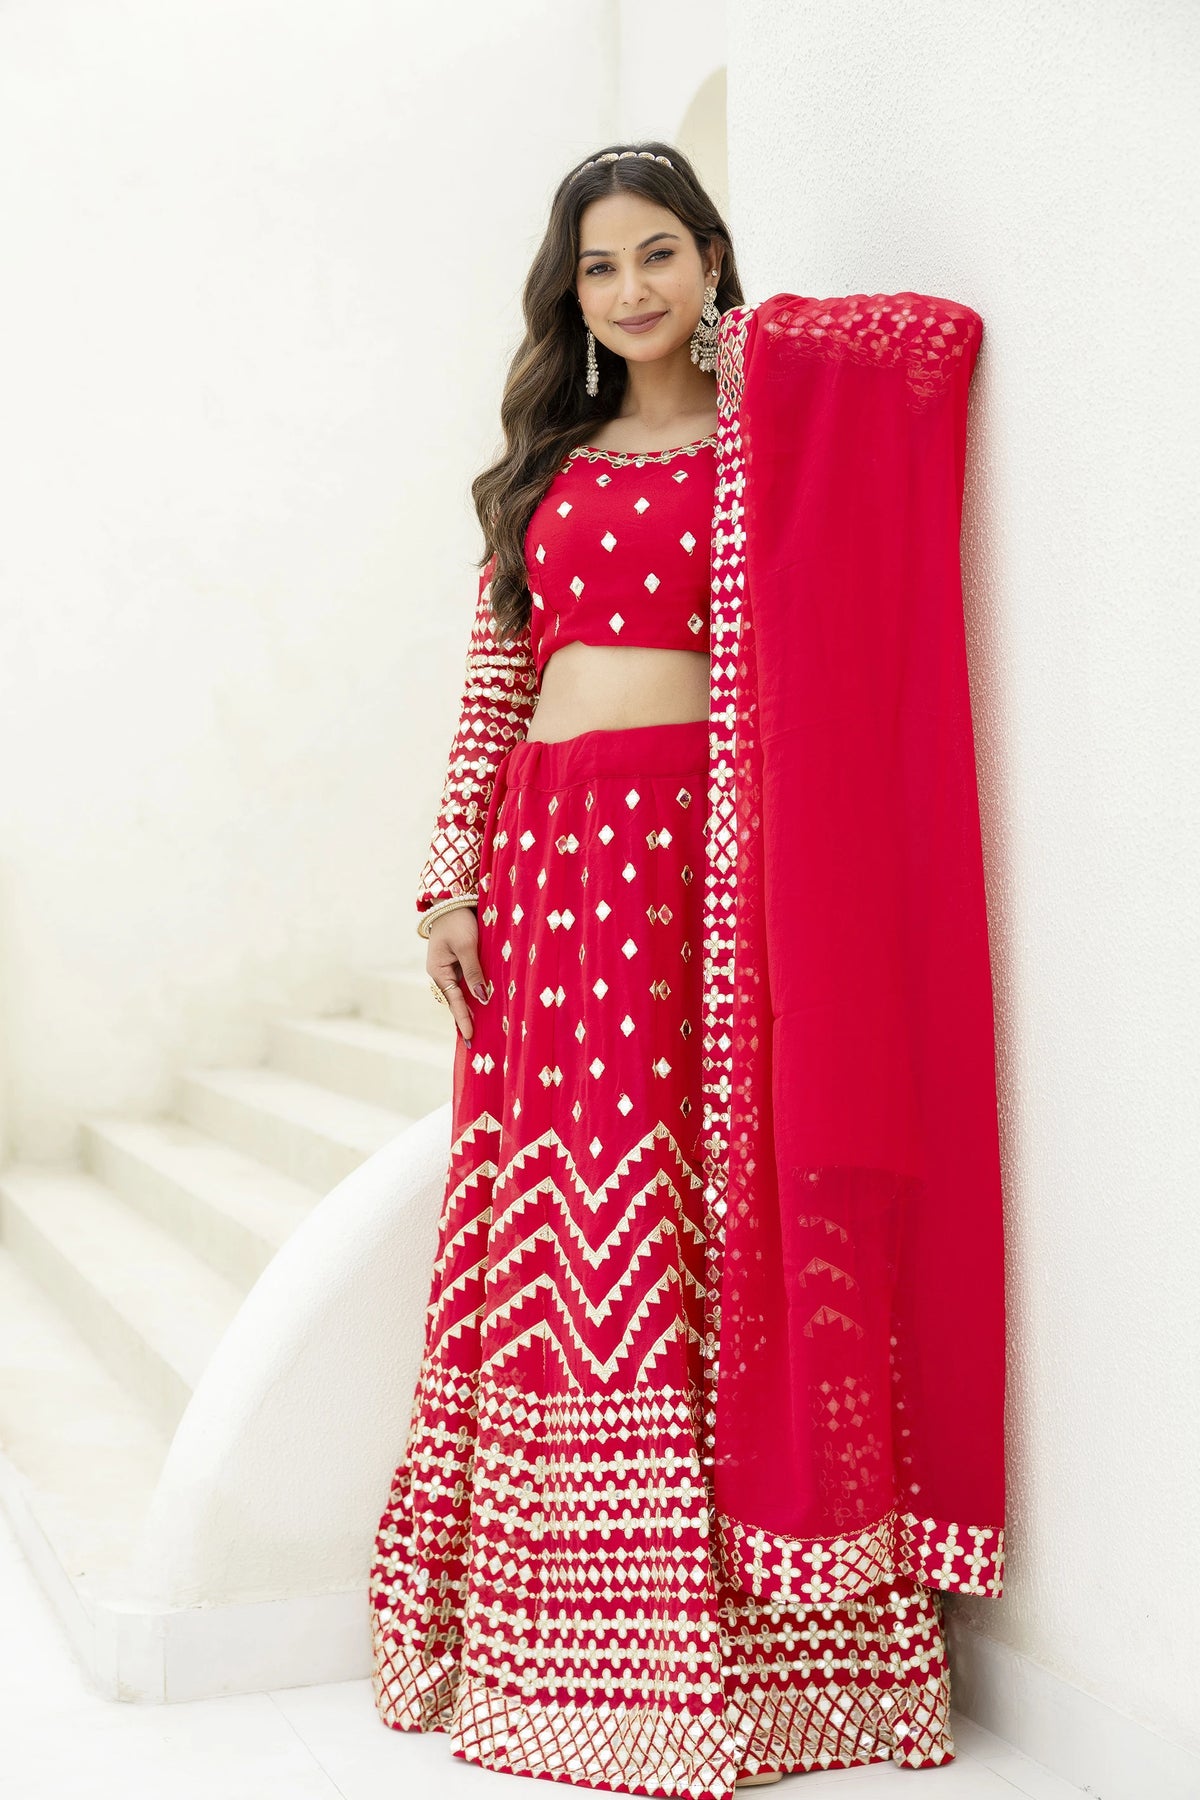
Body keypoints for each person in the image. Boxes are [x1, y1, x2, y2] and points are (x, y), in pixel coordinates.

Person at [369, 141, 1006, 1800]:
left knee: (710, 1203)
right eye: (602, 267)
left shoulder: (766, 444)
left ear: (714, 263)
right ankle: (568, 1630)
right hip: (552, 864)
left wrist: (763, 348)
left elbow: (934, 339)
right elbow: (500, 676)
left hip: (707, 884)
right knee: (575, 1218)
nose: (634, 289)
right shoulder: (549, 466)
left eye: (664, 254)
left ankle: (761, 1650)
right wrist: (450, 882)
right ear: (567, 296)